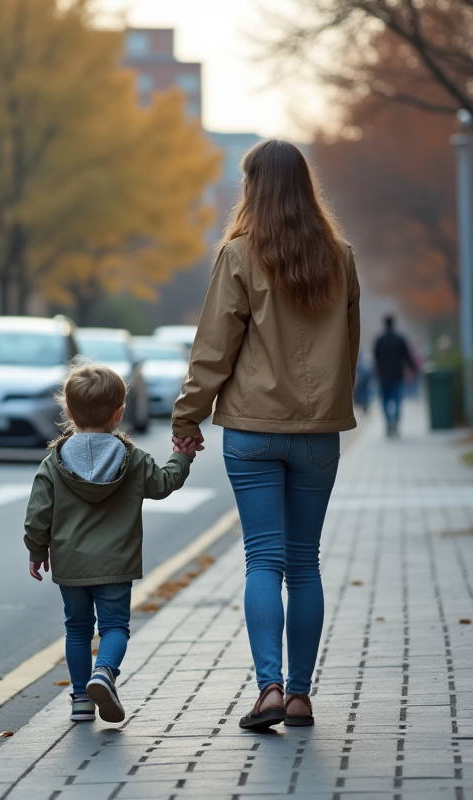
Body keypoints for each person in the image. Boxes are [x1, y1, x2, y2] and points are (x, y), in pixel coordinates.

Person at [171, 139, 360, 731]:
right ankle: (301, 696)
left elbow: (213, 349)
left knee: (263, 561)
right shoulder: (341, 257)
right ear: (306, 187)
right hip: (317, 433)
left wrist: (187, 417)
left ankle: (270, 689)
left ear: (253, 188)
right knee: (305, 564)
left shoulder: (239, 256)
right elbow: (349, 348)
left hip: (251, 430)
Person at [24, 363, 202, 723]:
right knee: (114, 628)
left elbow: (37, 514)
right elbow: (164, 483)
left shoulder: (53, 463)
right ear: (119, 412)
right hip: (115, 564)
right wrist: (182, 456)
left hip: (71, 563)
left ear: (69, 412)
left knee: (76, 628)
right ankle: (104, 672)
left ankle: (80, 701)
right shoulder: (131, 459)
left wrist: (36, 549)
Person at [373, 315, 416, 436]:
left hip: (383, 376)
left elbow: (376, 358)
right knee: (397, 401)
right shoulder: (400, 339)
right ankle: (395, 423)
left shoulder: (379, 340)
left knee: (385, 402)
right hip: (398, 375)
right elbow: (407, 356)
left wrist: (376, 372)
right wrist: (413, 368)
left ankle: (388, 423)